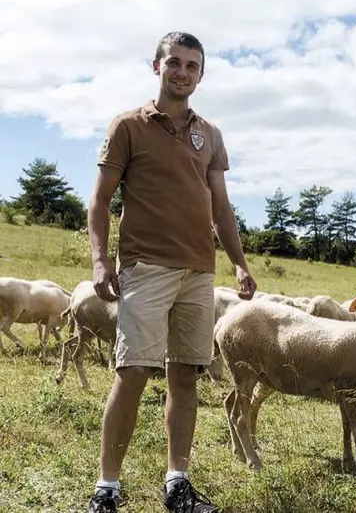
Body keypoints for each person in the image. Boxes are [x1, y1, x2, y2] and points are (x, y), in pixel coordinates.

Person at [86, 31, 257, 513]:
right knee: (134, 371)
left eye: (192, 66)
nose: (182, 72)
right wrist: (101, 259)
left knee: (185, 375)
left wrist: (240, 264)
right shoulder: (128, 126)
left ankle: (177, 483)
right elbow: (99, 200)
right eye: (174, 63)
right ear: (156, 67)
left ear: (201, 75)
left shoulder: (210, 134)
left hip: (199, 272)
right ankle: (107, 488)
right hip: (146, 266)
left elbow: (220, 206)